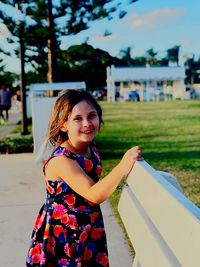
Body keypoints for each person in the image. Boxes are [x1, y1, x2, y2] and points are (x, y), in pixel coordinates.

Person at [26, 89, 143, 267]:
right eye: (77, 119)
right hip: (63, 236)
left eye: (92, 116)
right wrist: (122, 166)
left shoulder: (90, 149)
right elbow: (93, 194)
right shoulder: (62, 161)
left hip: (87, 229)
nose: (87, 123)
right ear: (63, 124)